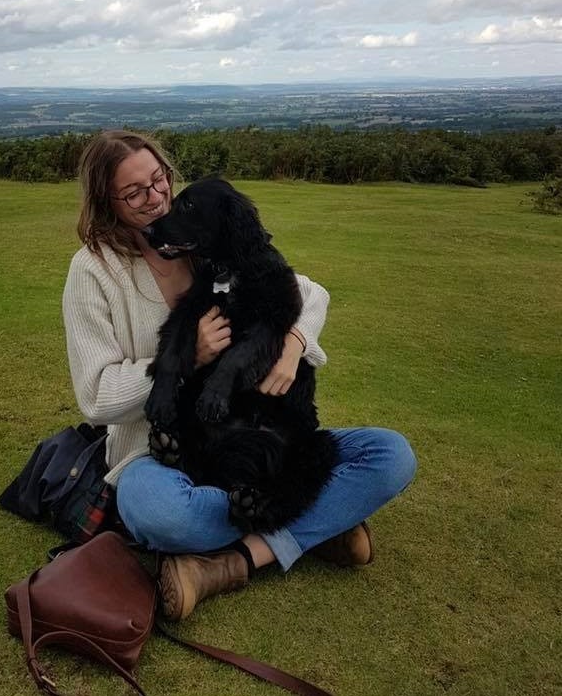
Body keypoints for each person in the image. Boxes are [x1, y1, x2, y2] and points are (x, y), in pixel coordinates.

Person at [62, 129, 416, 620]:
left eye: (159, 179)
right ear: (108, 203)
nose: (157, 197)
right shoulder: (93, 271)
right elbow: (96, 396)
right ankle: (313, 527)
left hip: (256, 436)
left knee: (391, 455)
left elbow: (309, 295)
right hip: (162, 453)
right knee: (157, 511)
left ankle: (236, 558)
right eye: (135, 193)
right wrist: (190, 359)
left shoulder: (202, 234)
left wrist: (293, 345)